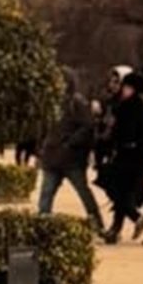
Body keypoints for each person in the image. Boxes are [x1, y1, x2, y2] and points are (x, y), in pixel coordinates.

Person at [36, 69, 106, 233]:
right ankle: (42, 226)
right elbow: (44, 127)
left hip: (70, 159)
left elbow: (88, 126)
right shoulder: (50, 102)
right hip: (52, 157)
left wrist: (70, 142)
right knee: (46, 193)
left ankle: (97, 224)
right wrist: (41, 147)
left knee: (83, 192)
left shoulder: (77, 103)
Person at [103, 70, 143, 246]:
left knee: (124, 191)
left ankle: (123, 226)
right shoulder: (126, 106)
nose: (123, 90)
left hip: (134, 158)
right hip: (128, 156)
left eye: (127, 87)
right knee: (132, 192)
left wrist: (139, 152)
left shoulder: (138, 109)